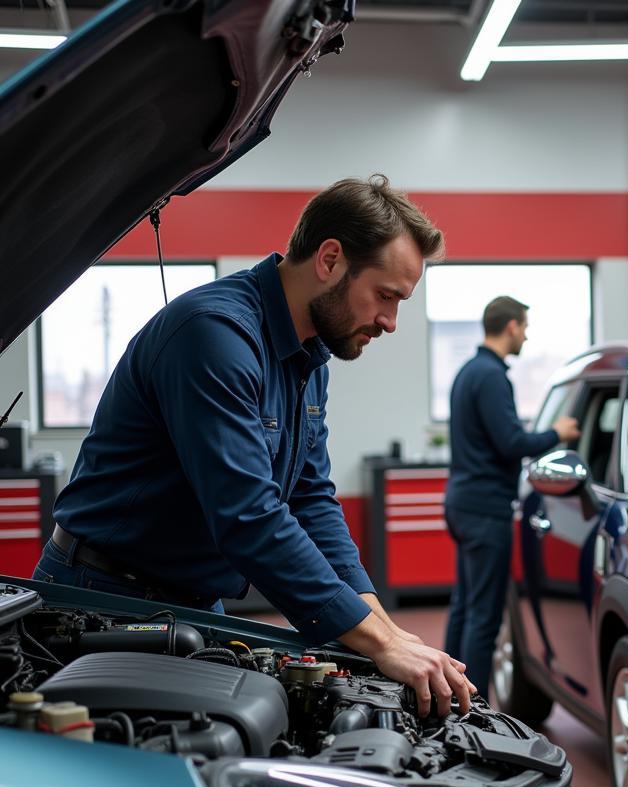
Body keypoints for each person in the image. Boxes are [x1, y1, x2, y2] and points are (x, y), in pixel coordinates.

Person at [33, 175, 474, 717]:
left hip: (192, 599)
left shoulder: (309, 358)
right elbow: (249, 516)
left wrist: (383, 626)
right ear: (330, 259)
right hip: (103, 595)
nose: (390, 321)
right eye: (385, 296)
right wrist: (378, 644)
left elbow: (310, 499)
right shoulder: (214, 335)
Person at [443, 296, 580, 700]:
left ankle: (448, 698)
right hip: (485, 509)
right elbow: (511, 442)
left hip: (463, 503)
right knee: (483, 618)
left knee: (465, 607)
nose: (527, 335)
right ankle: (476, 709)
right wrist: (557, 433)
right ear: (511, 327)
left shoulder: (469, 371)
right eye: (525, 326)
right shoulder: (491, 376)